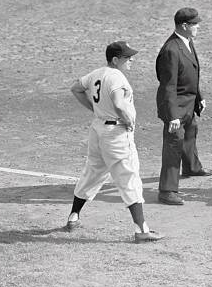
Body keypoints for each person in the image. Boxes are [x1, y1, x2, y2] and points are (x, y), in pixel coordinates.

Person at [66, 41, 163, 243]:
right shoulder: (117, 77)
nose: (131, 60)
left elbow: (76, 88)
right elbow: (119, 103)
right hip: (116, 134)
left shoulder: (96, 73)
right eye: (127, 58)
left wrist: (95, 109)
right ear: (116, 59)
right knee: (129, 176)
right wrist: (126, 119)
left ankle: (74, 216)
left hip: (98, 129)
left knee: (93, 171)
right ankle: (141, 229)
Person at [155, 8, 212, 205]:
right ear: (184, 26)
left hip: (188, 101)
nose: (198, 27)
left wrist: (199, 96)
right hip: (176, 105)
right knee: (174, 144)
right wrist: (172, 115)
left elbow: (192, 71)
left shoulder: (187, 41)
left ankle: (192, 167)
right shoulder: (171, 50)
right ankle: (167, 190)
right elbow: (168, 85)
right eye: (195, 24)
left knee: (190, 132)